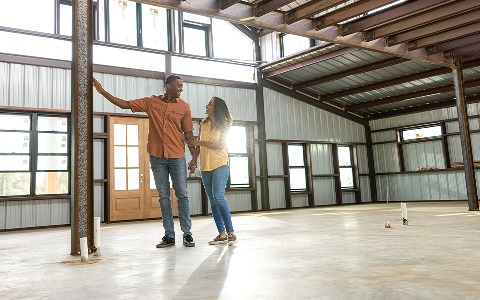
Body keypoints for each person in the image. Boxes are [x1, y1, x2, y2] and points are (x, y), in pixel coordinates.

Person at [93, 74, 197, 248]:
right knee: (163, 197)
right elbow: (125, 104)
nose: (181, 88)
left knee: (182, 195)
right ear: (168, 85)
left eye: (182, 86)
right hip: (157, 156)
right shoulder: (151, 102)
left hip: (177, 156)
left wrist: (194, 157)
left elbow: (188, 135)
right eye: (178, 85)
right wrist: (102, 91)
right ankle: (169, 235)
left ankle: (187, 234)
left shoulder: (185, 107)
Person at [187, 97, 237, 246]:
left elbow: (220, 145)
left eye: (210, 104)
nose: (207, 106)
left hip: (220, 164)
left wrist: (200, 142)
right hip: (205, 166)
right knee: (213, 201)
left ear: (217, 108)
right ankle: (221, 234)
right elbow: (197, 147)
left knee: (218, 196)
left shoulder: (225, 124)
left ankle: (231, 233)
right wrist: (194, 160)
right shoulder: (204, 123)